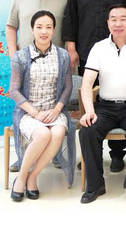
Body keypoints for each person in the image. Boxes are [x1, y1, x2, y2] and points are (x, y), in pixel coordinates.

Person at [63, 0, 126, 172]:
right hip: (87, 53)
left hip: (119, 55)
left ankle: (117, 154)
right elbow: (71, 17)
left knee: (118, 102)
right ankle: (90, 154)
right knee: (90, 102)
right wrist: (71, 48)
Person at [78, 4, 126, 205]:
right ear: (108, 23)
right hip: (105, 107)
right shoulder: (99, 47)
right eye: (113, 19)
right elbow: (87, 82)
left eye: (122, 19)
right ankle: (95, 185)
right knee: (87, 130)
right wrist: (89, 111)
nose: (118, 24)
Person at [6, 0, 68, 173]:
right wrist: (13, 55)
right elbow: (11, 27)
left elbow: (70, 28)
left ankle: (56, 153)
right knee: (23, 109)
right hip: (25, 64)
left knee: (56, 107)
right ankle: (23, 156)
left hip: (55, 64)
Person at [9, 11, 75, 201]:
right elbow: (14, 90)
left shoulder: (62, 55)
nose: (44, 31)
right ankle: (21, 178)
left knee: (58, 132)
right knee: (43, 134)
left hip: (55, 110)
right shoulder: (21, 56)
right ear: (32, 30)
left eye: (48, 27)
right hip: (28, 112)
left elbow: (67, 87)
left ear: (54, 30)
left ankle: (32, 177)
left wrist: (56, 109)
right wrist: (35, 113)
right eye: (39, 27)